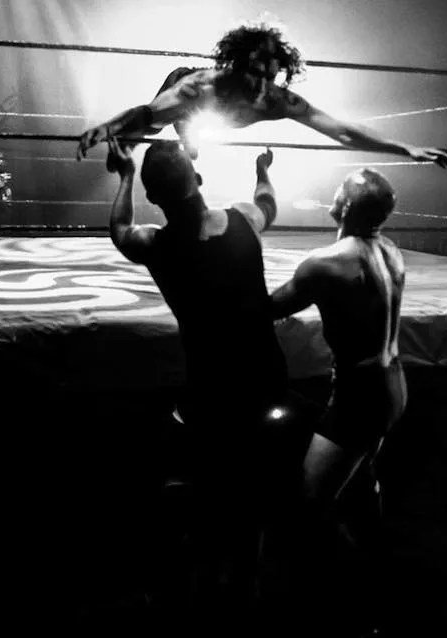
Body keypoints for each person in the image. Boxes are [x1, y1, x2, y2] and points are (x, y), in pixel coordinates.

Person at [104, 136, 290, 627]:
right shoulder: (243, 220)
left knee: (208, 484)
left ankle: (199, 591)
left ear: (154, 197)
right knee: (252, 485)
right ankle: (245, 586)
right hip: (265, 377)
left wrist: (125, 176)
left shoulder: (157, 245)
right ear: (199, 179)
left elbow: (119, 229)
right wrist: (262, 169)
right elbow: (268, 202)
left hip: (211, 388)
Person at [269, 167, 407, 634]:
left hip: (359, 397)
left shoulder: (324, 263)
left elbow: (271, 307)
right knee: (362, 480)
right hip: (394, 385)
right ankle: (378, 572)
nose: (331, 193)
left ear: (345, 206)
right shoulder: (392, 252)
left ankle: (340, 604)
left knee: (311, 501)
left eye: (339, 189)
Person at [77, 20, 447, 168]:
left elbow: (340, 130)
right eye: (253, 73)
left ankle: (187, 140)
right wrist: (108, 128)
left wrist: (405, 148)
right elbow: (147, 113)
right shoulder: (201, 87)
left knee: (186, 142)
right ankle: (174, 137)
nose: (259, 85)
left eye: (268, 77)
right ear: (235, 65)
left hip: (213, 115)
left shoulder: (276, 101)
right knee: (154, 128)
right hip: (188, 95)